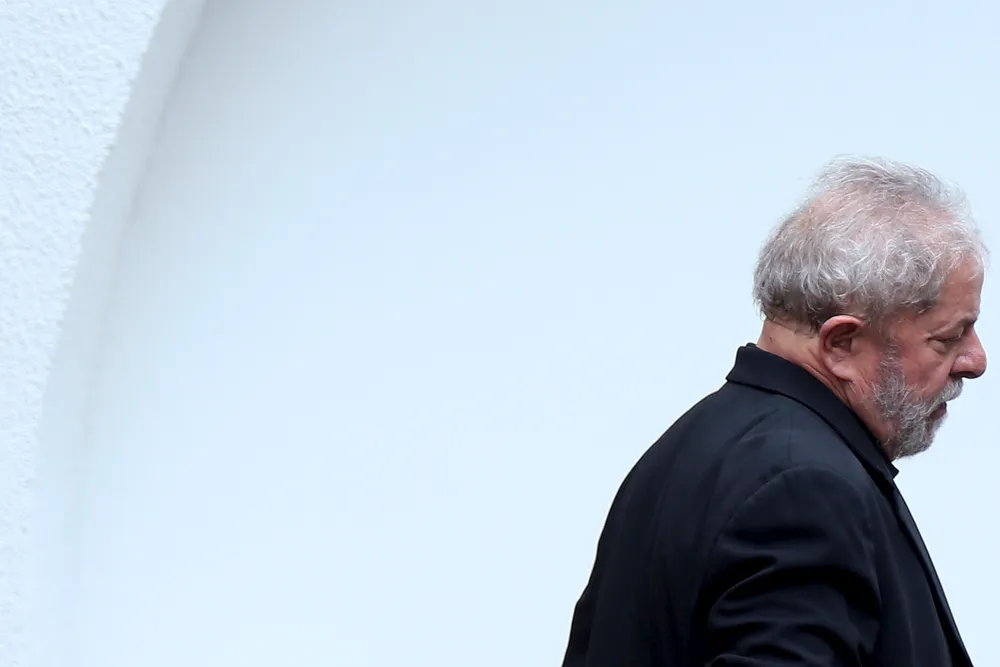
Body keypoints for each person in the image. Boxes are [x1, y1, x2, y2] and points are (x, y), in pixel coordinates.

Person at [561, 156, 987, 666]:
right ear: (841, 343)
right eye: (948, 337)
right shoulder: (803, 487)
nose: (976, 361)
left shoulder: (693, 450)